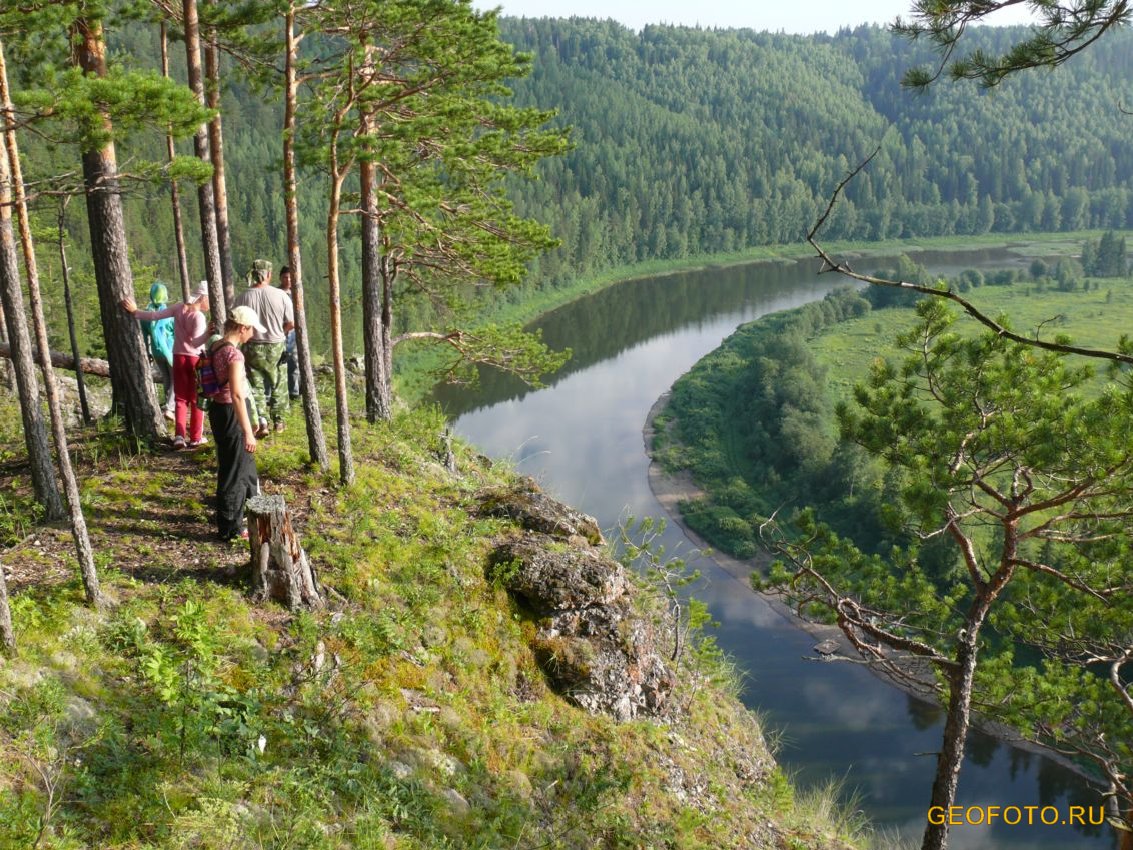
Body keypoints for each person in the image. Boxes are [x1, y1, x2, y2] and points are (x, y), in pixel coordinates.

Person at [123, 281, 211, 449]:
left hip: (177, 356)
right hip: (195, 360)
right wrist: (208, 334)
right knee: (196, 399)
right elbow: (195, 342)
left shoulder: (178, 308)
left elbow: (154, 316)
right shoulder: (198, 316)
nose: (211, 303)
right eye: (209, 299)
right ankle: (195, 437)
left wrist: (135, 311)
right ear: (203, 297)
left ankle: (179, 437)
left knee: (180, 399)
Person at [206, 305, 263, 541]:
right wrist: (248, 431)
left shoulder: (216, 346)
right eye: (251, 330)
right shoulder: (234, 355)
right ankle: (231, 528)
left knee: (244, 467)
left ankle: (255, 515)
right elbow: (238, 394)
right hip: (232, 413)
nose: (253, 334)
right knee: (233, 472)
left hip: (219, 410)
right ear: (242, 328)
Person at [233, 259, 294, 436]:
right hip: (276, 344)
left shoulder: (244, 296)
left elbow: (235, 320)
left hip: (252, 345)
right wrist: (281, 333)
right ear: (268, 274)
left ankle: (262, 421)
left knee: (255, 385)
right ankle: (279, 422)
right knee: (279, 383)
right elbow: (291, 322)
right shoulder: (281, 295)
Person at [139, 281, 175, 421]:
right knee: (175, 379)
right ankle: (170, 408)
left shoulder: (146, 315)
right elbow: (176, 333)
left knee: (166, 378)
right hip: (170, 351)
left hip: (156, 351)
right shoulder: (169, 313)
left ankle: (168, 404)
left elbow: (144, 335)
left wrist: (148, 352)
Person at [276, 266, 300, 401]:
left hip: (294, 333)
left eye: (290, 277)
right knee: (278, 363)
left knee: (294, 363)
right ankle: (278, 394)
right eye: (285, 277)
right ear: (280, 278)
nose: (288, 280)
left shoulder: (297, 294)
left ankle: (294, 392)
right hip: (279, 331)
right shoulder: (276, 293)